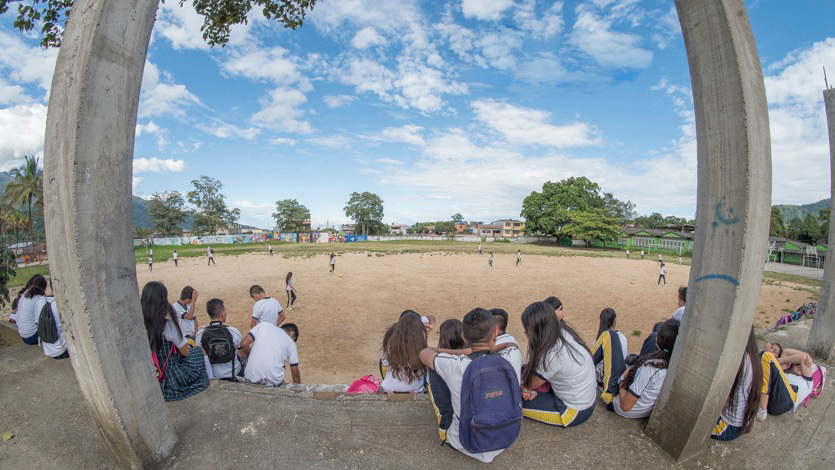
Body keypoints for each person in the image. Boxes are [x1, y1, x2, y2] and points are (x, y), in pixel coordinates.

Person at [419, 308, 523, 463]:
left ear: (463, 336)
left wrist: (461, 352)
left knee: (434, 369)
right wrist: (494, 347)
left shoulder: (456, 365)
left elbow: (424, 353)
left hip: (463, 442)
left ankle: (444, 422)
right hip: (505, 437)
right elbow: (510, 345)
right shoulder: (513, 356)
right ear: (495, 333)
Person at [520, 302, 595, 428]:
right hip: (583, 397)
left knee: (511, 401)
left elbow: (530, 383)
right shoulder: (561, 330)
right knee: (521, 371)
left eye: (527, 330)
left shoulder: (551, 354)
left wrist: (523, 386)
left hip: (573, 410)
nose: (526, 334)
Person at [141, 281, 208, 401]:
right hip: (171, 375)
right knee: (197, 351)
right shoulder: (168, 326)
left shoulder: (140, 325)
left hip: (151, 372)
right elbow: (185, 353)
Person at [611, 319, 680, 418]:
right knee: (632, 359)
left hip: (622, 407)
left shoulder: (650, 367)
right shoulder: (673, 363)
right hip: (645, 408)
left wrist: (622, 380)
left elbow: (625, 407)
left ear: (658, 339)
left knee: (611, 335)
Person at [712, 329, 761, 441]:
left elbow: (719, 394)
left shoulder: (738, 360)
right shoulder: (753, 357)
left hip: (728, 427)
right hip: (742, 423)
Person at [757, 343, 819, 419]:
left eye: (801, 365)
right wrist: (807, 354)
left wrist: (807, 356)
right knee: (763, 359)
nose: (799, 367)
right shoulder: (784, 372)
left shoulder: (807, 380)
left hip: (785, 400)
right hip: (770, 400)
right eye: (797, 364)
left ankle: (762, 411)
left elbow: (803, 358)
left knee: (765, 355)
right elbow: (786, 352)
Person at [239, 321, 300, 386]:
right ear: (292, 334)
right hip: (272, 383)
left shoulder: (263, 325)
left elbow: (243, 344)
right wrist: (299, 389)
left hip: (249, 377)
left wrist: (251, 356)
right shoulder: (291, 343)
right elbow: (295, 373)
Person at [195, 299, 243, 380]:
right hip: (233, 375)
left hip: (212, 377)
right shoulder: (233, 331)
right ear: (222, 313)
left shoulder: (200, 334)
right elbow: (242, 351)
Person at [380, 311, 429, 393]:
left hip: (388, 390)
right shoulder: (421, 349)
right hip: (415, 391)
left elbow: (384, 363)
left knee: (382, 363)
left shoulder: (389, 346)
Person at [592, 308, 627, 405]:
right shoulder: (621, 337)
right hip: (612, 379)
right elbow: (622, 358)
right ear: (615, 320)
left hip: (599, 378)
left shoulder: (598, 339)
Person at [35, 286, 69, 359]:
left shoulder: (40, 301)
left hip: (48, 350)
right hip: (62, 350)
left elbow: (37, 323)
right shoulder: (59, 304)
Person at [16, 274, 48, 345]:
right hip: (32, 337)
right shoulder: (39, 299)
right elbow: (42, 320)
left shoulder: (24, 294)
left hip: (23, 335)